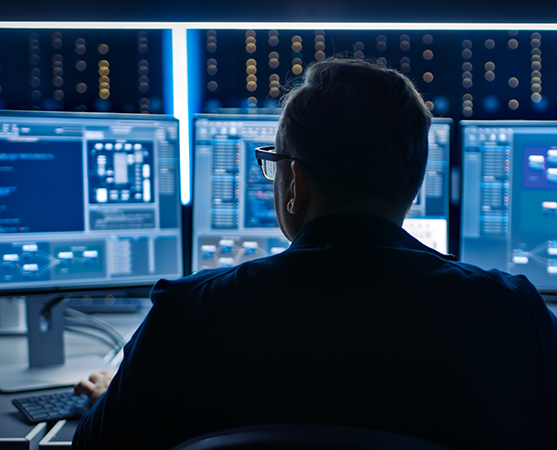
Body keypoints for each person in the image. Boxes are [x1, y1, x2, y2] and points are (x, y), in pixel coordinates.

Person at [73, 57, 557, 450]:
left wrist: (113, 401)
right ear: (411, 184)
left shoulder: (187, 315)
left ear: (295, 183)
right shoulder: (510, 314)